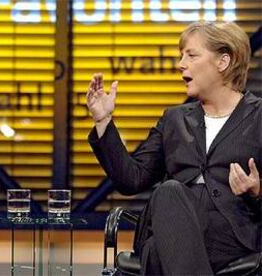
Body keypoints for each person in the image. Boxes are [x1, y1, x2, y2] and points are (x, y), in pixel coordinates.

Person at [87, 21, 261, 275]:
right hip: (172, 228)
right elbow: (131, 180)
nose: (181, 64)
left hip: (231, 238)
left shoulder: (258, 116)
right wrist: (103, 121)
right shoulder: (174, 119)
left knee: (158, 252)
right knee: (169, 193)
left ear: (223, 62)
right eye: (182, 56)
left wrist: (257, 190)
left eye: (191, 55)